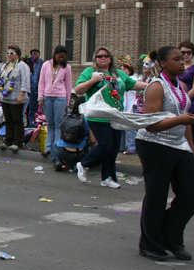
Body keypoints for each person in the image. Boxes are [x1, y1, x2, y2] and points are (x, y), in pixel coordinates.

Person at [136, 46, 194, 261]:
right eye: (176, 59)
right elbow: (150, 125)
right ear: (163, 64)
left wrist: (191, 150)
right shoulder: (156, 86)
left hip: (178, 143)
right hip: (155, 144)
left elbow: (186, 119)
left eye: (183, 59)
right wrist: (180, 120)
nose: (182, 62)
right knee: (157, 195)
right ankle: (150, 243)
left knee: (191, 192)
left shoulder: (181, 86)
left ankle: (170, 235)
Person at [74, 47, 148, 188]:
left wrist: (151, 85)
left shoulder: (118, 73)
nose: (103, 58)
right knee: (105, 146)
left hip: (115, 115)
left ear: (110, 58)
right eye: (100, 56)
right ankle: (84, 164)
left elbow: (132, 84)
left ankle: (108, 178)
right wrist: (93, 80)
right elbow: (78, 90)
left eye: (106, 56)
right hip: (98, 115)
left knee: (113, 148)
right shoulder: (90, 72)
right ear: (95, 58)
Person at [38, 45, 73, 170]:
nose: (61, 59)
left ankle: (56, 149)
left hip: (60, 97)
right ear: (54, 54)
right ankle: (48, 148)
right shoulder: (46, 65)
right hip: (47, 97)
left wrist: (67, 103)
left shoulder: (67, 68)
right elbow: (41, 82)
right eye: (60, 56)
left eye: (64, 57)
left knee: (58, 124)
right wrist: (40, 98)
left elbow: (68, 86)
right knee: (50, 123)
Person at [0, 45, 31, 152]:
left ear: (18, 55)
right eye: (8, 53)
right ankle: (8, 140)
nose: (9, 55)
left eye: (12, 53)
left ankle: (18, 142)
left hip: (16, 98)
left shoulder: (22, 66)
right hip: (5, 97)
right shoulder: (5, 66)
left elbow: (25, 81)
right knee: (8, 120)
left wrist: (21, 94)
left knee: (17, 120)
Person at [119, 61, 138, 154]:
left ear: (130, 71)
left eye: (125, 69)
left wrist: (135, 103)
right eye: (121, 69)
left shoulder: (132, 79)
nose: (122, 71)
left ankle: (132, 147)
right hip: (123, 106)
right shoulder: (120, 80)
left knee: (130, 128)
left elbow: (137, 93)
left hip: (131, 106)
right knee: (121, 128)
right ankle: (121, 146)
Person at [27, 48, 44, 126]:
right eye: (32, 54)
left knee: (42, 109)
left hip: (41, 90)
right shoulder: (29, 64)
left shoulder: (43, 64)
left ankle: (42, 125)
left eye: (35, 53)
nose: (33, 55)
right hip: (32, 90)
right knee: (31, 110)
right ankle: (32, 125)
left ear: (39, 54)